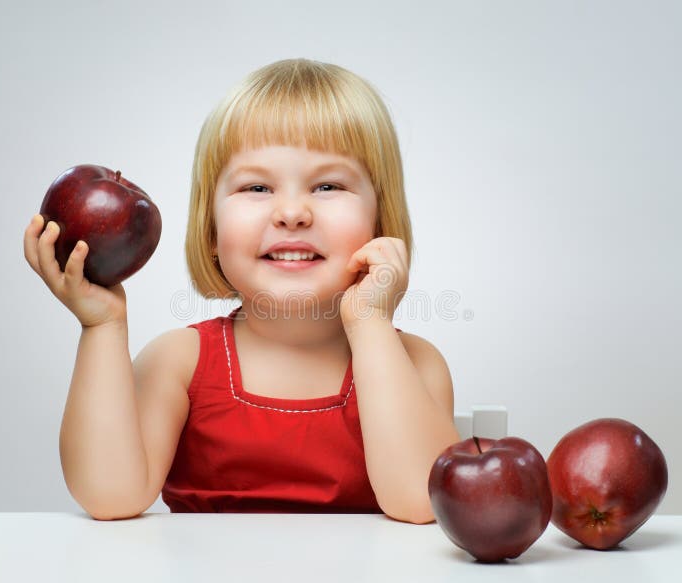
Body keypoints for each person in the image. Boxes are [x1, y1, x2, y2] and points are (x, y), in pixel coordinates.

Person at [23, 58, 460, 524]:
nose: (292, 213)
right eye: (257, 187)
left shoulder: (415, 364)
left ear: (380, 223)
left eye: (328, 185)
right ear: (211, 230)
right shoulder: (179, 361)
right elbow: (110, 496)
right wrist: (102, 325)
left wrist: (371, 323)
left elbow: (421, 502)